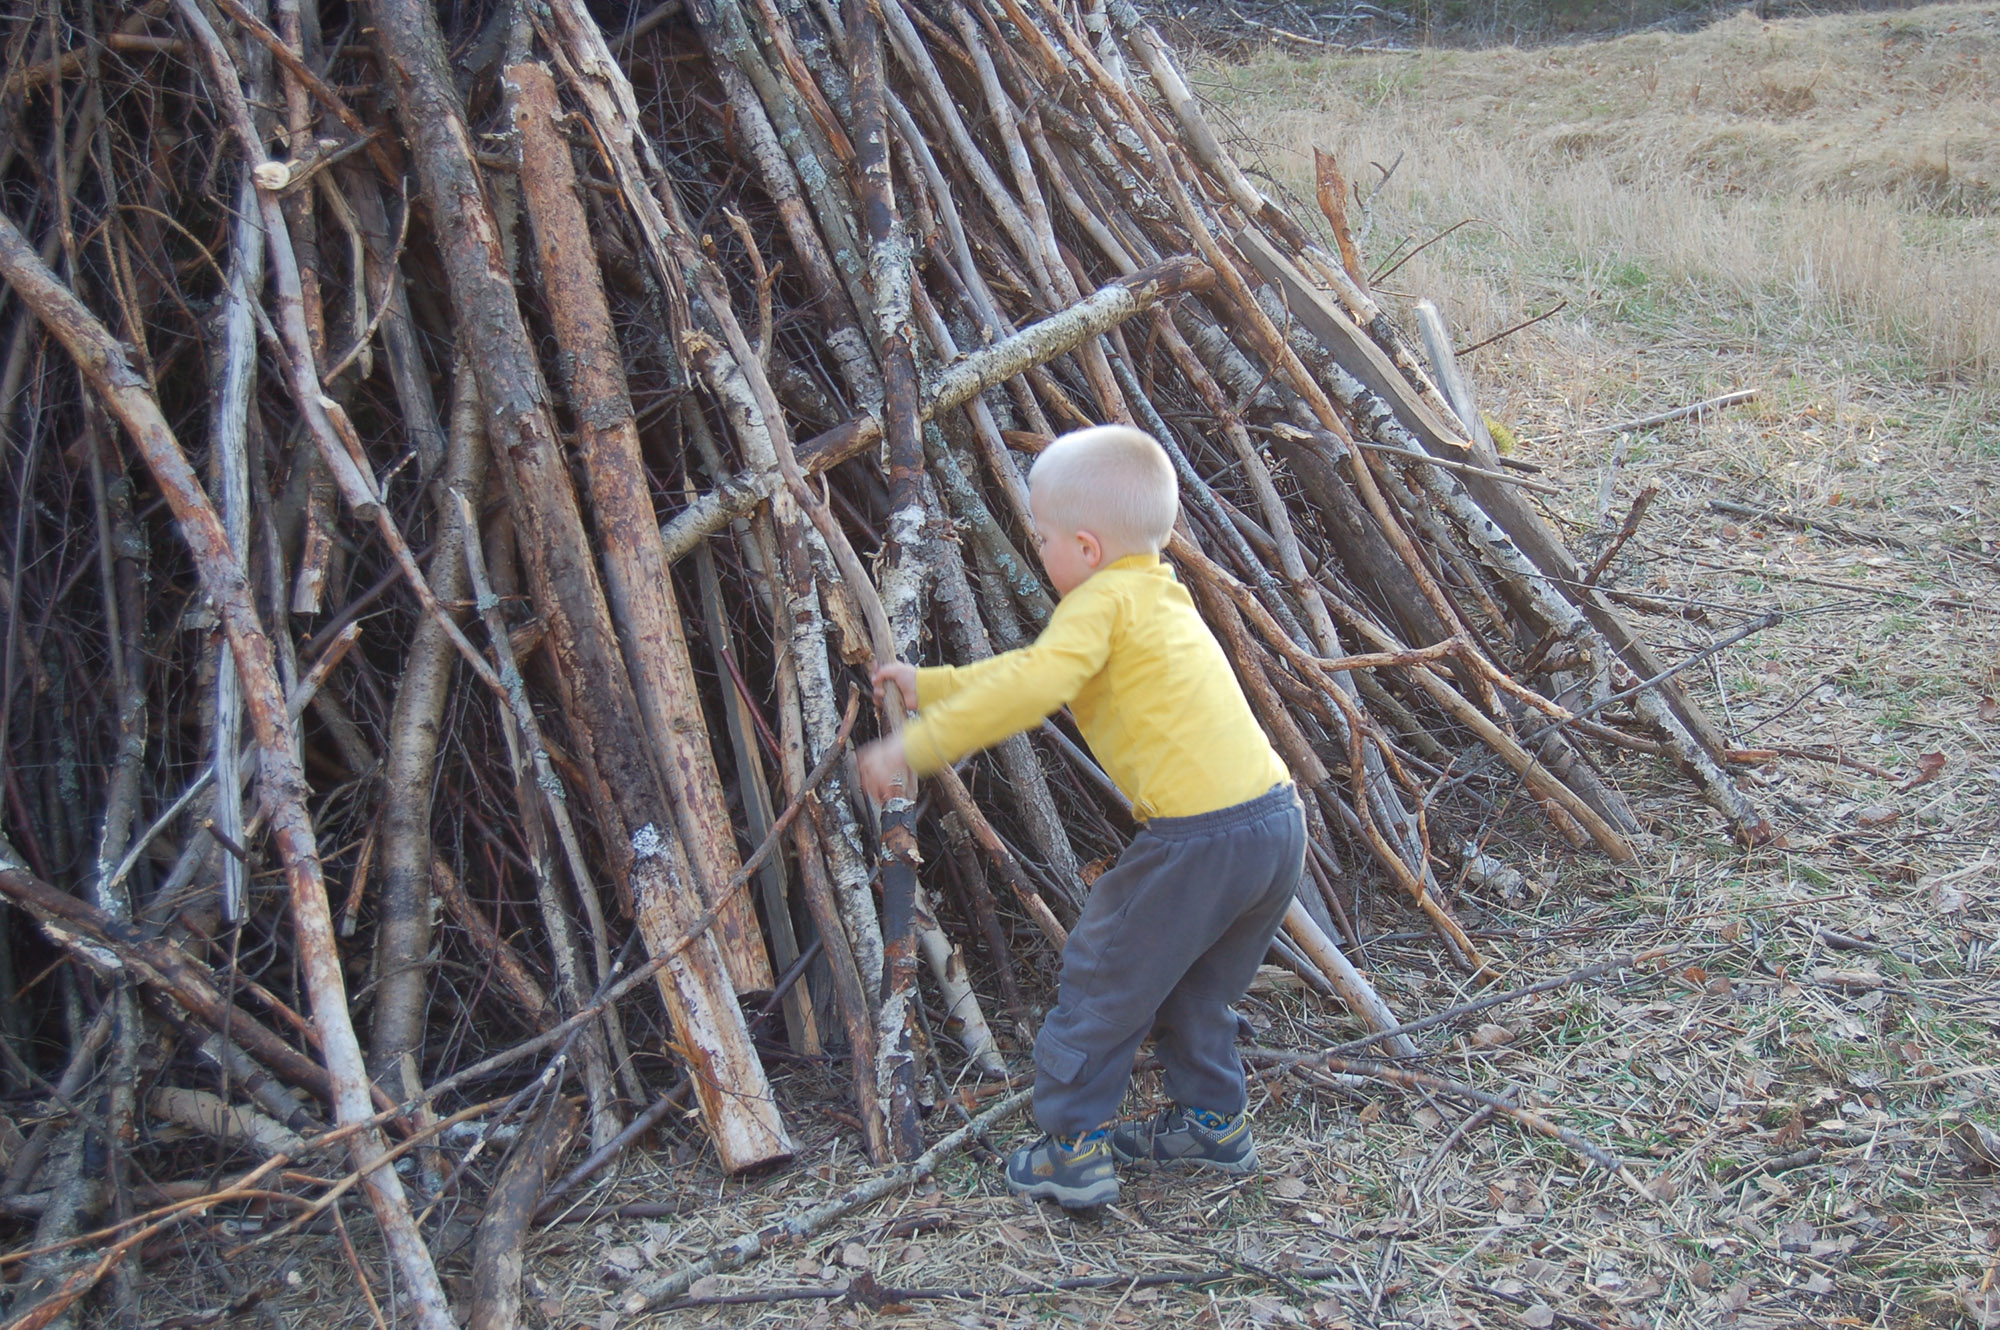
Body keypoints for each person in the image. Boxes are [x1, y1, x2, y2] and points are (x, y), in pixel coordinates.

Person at [857, 425, 1306, 1209]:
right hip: (1274, 825)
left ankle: (1071, 1151)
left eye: (1042, 537)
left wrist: (912, 747)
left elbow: (1034, 691)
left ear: (1088, 548)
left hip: (1199, 839)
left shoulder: (1097, 602)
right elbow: (1035, 670)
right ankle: (1212, 1124)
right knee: (1198, 986)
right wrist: (937, 683)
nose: (1038, 549)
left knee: (1102, 974)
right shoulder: (1154, 594)